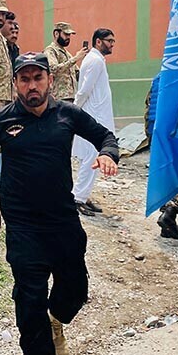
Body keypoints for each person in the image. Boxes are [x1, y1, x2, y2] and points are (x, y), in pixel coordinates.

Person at [0, 52, 119, 355]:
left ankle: (56, 320)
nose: (32, 86)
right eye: (24, 79)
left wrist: (108, 154)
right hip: (22, 222)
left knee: (76, 288)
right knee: (29, 298)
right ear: (15, 83)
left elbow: (105, 136)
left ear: (50, 80)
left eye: (38, 78)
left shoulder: (68, 114)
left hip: (62, 217)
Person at [72, 28, 117, 216]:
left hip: (97, 115)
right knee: (91, 158)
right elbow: (84, 90)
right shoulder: (95, 61)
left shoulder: (97, 60)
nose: (112, 44)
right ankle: (78, 198)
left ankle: (83, 194)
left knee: (92, 157)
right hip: (94, 117)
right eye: (109, 40)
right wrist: (74, 111)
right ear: (98, 41)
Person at [144, 73, 178, 239]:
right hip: (177, 130)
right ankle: (170, 213)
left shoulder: (161, 75)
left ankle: (167, 221)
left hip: (156, 130)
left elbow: (148, 105)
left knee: (168, 174)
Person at [44, 22, 88, 102]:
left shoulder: (67, 54)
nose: (68, 37)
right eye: (66, 34)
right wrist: (75, 58)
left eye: (69, 35)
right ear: (56, 34)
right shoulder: (50, 50)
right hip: (59, 98)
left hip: (71, 98)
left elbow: (77, 74)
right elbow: (53, 69)